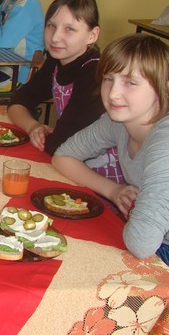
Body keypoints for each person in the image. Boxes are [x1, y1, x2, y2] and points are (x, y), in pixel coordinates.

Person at [52, 34, 169, 265]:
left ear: (163, 89)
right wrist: (114, 191)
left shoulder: (164, 142)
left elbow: (141, 242)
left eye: (130, 82)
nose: (113, 93)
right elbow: (63, 156)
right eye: (108, 79)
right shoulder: (118, 121)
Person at [7, 0, 111, 157]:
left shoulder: (94, 74)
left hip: (98, 164)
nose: (55, 38)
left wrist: (45, 138)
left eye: (69, 29)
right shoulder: (56, 60)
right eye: (51, 26)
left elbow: (63, 142)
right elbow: (18, 100)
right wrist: (33, 126)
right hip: (68, 155)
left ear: (92, 35)